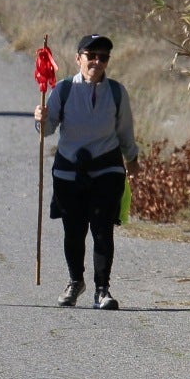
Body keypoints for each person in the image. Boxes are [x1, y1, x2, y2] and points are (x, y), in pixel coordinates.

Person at [36, 34, 139, 310]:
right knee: (74, 231)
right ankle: (75, 281)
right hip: (70, 171)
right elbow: (48, 130)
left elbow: (125, 132)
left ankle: (102, 290)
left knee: (103, 229)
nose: (96, 61)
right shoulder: (63, 90)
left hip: (107, 169)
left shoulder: (117, 92)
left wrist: (133, 160)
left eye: (103, 56)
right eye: (91, 55)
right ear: (78, 58)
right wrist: (41, 119)